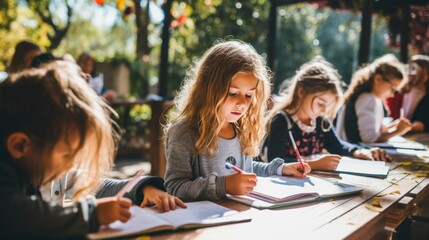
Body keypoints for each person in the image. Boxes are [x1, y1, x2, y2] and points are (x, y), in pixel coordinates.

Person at [0, 61, 185, 238]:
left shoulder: (44, 170)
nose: (72, 163)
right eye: (66, 154)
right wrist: (92, 214)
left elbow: (91, 185)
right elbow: (16, 216)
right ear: (20, 146)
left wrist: (143, 188)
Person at [163, 40, 311, 201]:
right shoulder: (183, 133)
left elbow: (243, 171)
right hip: (204, 222)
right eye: (233, 93)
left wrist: (279, 169)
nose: (242, 103)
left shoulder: (241, 128)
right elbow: (174, 187)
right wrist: (223, 185)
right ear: (209, 89)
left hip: (239, 215)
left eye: (249, 95)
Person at [263, 59, 389, 171]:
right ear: (301, 92)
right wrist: (314, 164)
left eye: (327, 106)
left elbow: (337, 146)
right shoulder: (281, 120)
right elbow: (275, 161)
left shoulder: (319, 121)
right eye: (320, 103)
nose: (324, 110)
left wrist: (358, 151)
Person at [336, 54, 412, 144]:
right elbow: (369, 138)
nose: (392, 95)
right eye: (393, 89)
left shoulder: (373, 98)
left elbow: (376, 129)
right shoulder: (367, 99)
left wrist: (393, 126)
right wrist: (397, 131)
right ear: (378, 79)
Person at [386, 55, 429, 133]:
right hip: (400, 132)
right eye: (409, 68)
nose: (411, 73)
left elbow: (421, 125)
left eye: (415, 69)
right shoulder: (399, 91)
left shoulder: (425, 96)